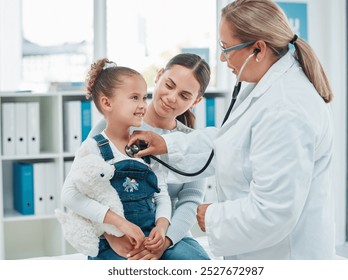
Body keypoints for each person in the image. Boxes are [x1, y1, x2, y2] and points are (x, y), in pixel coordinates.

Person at [128, 0, 335, 260]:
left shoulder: (286, 108)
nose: (222, 58)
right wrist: (167, 144)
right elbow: (230, 143)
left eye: (227, 48)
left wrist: (212, 216)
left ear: (258, 49)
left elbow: (274, 211)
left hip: (286, 256)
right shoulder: (267, 89)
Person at [88, 53, 211, 260]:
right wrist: (111, 234)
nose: (172, 98)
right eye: (169, 85)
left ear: (196, 101)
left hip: (169, 236)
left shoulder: (193, 143)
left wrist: (166, 241)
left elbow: (190, 200)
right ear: (159, 76)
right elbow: (87, 186)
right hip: (117, 233)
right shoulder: (112, 125)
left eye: (184, 95)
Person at [61, 58, 172, 260]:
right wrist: (119, 224)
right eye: (134, 98)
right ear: (106, 103)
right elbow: (69, 196)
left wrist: (162, 227)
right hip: (111, 241)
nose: (142, 106)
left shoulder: (147, 145)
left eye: (144, 98)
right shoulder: (92, 147)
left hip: (148, 236)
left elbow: (162, 193)